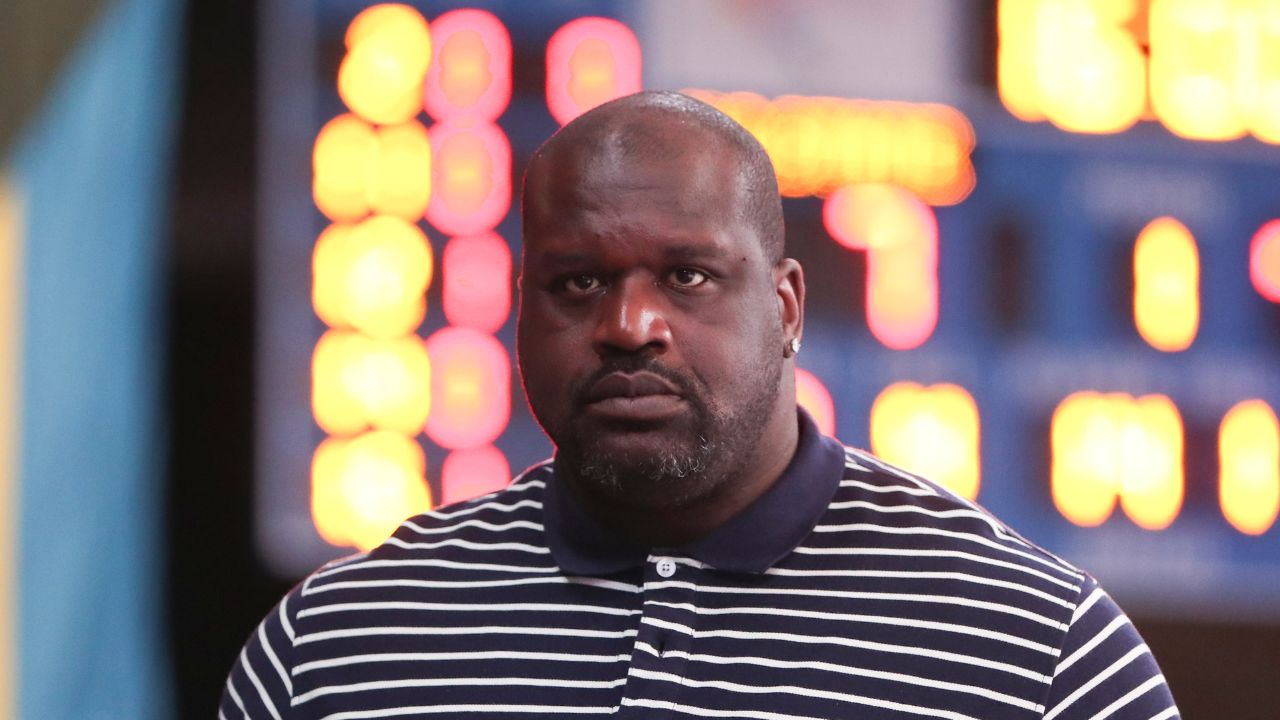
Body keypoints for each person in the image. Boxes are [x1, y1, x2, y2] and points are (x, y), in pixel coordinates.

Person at [222, 91, 1180, 719]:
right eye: (579, 283)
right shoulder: (339, 649)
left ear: (787, 304)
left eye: (687, 276)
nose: (630, 324)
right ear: (519, 310)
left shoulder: (1035, 651)